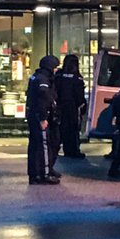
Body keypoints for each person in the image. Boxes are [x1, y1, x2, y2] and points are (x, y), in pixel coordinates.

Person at [26, 55, 61, 185]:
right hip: (39, 116)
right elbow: (43, 98)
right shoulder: (43, 80)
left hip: (33, 115)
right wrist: (43, 117)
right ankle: (45, 174)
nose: (56, 70)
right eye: (55, 67)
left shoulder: (36, 76)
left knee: (35, 146)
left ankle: (34, 174)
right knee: (44, 145)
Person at [55, 54, 87, 159]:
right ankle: (72, 150)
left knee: (59, 129)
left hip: (60, 106)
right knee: (72, 130)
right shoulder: (77, 78)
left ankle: (55, 149)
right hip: (72, 107)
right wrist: (82, 105)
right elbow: (79, 95)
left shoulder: (59, 75)